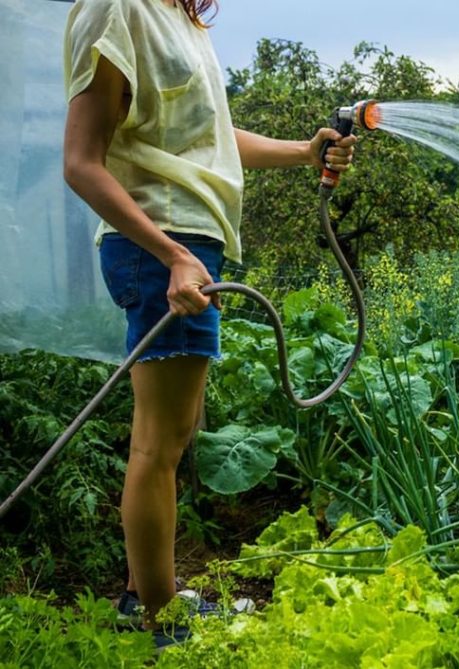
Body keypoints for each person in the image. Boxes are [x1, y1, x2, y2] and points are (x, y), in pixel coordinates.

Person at [62, 0, 357, 646]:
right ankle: (162, 619)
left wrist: (306, 152)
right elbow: (80, 161)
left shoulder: (176, 19)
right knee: (158, 444)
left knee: (169, 431)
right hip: (162, 243)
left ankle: (146, 592)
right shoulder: (117, 8)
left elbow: (212, 143)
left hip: (189, 244)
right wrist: (172, 255)